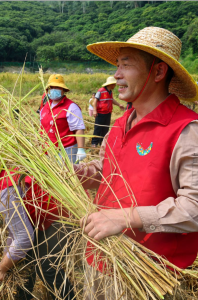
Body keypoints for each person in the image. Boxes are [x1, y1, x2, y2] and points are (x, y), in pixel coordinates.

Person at [75, 27, 198, 299]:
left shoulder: (186, 131)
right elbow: (108, 171)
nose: (116, 74)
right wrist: (84, 174)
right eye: (117, 66)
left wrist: (125, 217)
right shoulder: (119, 125)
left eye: (126, 65)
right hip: (101, 258)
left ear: (158, 72)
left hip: (149, 276)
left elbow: (194, 208)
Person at [0, 171, 75, 300]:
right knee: (24, 261)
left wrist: (2, 268)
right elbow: (15, 230)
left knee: (46, 265)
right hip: (46, 219)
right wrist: (6, 260)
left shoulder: (3, 192)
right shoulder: (4, 176)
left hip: (64, 217)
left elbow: (24, 237)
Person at [41, 74, 86, 163]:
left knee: (64, 175)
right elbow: (42, 127)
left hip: (66, 151)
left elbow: (79, 129)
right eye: (51, 87)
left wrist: (81, 149)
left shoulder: (71, 107)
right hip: (47, 150)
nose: (54, 90)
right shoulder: (45, 106)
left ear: (63, 90)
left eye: (57, 87)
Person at [91, 76, 124, 147]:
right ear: (110, 84)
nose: (114, 86)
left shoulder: (110, 92)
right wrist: (94, 110)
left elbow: (112, 100)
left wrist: (119, 105)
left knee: (105, 128)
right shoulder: (101, 91)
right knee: (98, 128)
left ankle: (102, 142)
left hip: (108, 113)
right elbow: (95, 101)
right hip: (100, 113)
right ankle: (94, 143)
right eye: (113, 84)